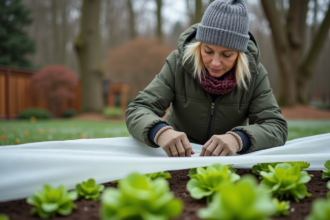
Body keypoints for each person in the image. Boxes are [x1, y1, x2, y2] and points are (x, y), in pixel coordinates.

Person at [125, 0, 288, 157]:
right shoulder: (177, 64)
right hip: (177, 158)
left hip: (228, 161)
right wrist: (161, 132)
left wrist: (237, 139)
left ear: (240, 54)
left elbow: (276, 127)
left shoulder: (255, 75)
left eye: (227, 55)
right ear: (199, 44)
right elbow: (138, 109)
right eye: (208, 51)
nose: (215, 62)